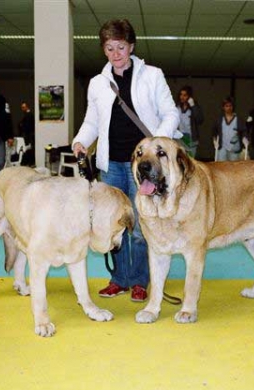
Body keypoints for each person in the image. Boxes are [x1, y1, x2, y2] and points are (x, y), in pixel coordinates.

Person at [72, 18, 178, 302]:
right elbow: (91, 121)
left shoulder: (153, 76)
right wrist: (81, 140)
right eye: (109, 48)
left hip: (144, 167)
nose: (115, 53)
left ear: (131, 46)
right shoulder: (97, 84)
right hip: (112, 165)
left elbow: (171, 114)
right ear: (104, 50)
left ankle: (140, 280)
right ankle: (119, 279)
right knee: (114, 224)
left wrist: (157, 144)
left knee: (142, 227)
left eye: (121, 46)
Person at [212, 96, 246, 161]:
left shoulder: (238, 119)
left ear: (233, 107)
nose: (229, 108)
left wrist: (244, 138)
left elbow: (244, 131)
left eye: (230, 106)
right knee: (221, 168)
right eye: (226, 106)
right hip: (222, 148)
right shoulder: (219, 120)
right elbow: (214, 131)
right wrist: (214, 140)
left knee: (233, 169)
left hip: (235, 149)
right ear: (223, 107)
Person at [176, 85, 204, 157]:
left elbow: (200, 120)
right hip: (181, 137)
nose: (182, 97)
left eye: (185, 95)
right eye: (181, 94)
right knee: (182, 159)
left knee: (191, 160)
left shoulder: (194, 107)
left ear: (189, 96)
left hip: (191, 137)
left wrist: (193, 105)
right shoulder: (177, 107)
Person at [17, 101, 35, 166]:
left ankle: (30, 162)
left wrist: (22, 125)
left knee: (29, 148)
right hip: (27, 135)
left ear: (27, 107)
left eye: (23, 107)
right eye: (22, 107)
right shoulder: (27, 115)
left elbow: (28, 126)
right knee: (28, 148)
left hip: (29, 135)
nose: (22, 109)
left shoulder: (29, 115)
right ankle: (29, 162)